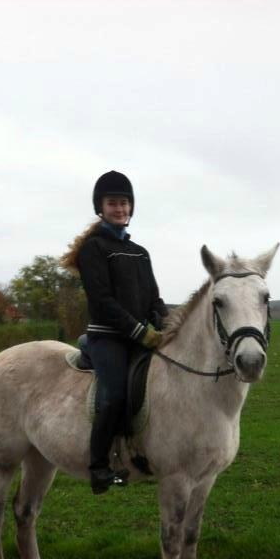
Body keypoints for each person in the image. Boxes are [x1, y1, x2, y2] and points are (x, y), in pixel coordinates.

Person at [62, 171, 168, 494]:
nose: (119, 209)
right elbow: (103, 301)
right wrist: (140, 331)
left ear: (131, 207)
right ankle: (99, 467)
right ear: (101, 208)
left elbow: (153, 298)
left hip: (138, 336)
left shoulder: (140, 252)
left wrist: (166, 321)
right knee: (116, 395)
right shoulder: (93, 250)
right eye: (112, 203)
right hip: (107, 337)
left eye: (124, 203)